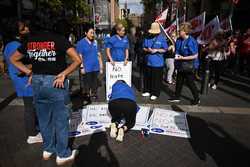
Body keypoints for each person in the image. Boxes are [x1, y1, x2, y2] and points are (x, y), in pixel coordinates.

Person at [10, 16, 81, 165]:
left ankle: (48, 149)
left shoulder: (30, 41)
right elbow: (77, 59)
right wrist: (64, 73)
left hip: (37, 82)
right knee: (61, 120)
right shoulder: (58, 38)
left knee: (44, 119)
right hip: (55, 82)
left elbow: (13, 59)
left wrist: (29, 72)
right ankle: (62, 154)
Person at [3, 21, 42, 144]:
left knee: (31, 106)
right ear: (17, 32)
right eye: (23, 28)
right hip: (24, 80)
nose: (27, 29)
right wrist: (37, 63)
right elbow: (19, 67)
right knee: (30, 107)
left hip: (22, 79)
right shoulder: (15, 45)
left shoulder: (10, 44)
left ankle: (34, 129)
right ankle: (32, 134)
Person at [168, 22, 200, 105]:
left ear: (186, 31)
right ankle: (177, 97)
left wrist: (183, 58)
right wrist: (173, 48)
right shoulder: (179, 40)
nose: (179, 32)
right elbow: (177, 50)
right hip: (180, 64)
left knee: (190, 82)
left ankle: (197, 99)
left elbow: (195, 55)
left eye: (180, 30)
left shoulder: (191, 41)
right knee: (179, 80)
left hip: (189, 65)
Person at [76, 25, 103, 99]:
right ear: (85, 33)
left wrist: (101, 66)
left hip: (95, 67)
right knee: (86, 83)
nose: (92, 34)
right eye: (91, 33)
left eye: (93, 33)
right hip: (86, 67)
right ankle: (87, 94)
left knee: (94, 82)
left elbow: (99, 55)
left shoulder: (95, 42)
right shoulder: (80, 43)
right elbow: (79, 56)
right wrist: (81, 67)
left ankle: (94, 93)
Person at [142, 22, 168, 100]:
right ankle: (147, 90)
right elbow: (143, 47)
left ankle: (155, 93)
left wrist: (156, 50)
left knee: (156, 79)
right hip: (148, 62)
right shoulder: (147, 37)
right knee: (148, 77)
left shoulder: (162, 38)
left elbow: (165, 49)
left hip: (158, 63)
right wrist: (148, 50)